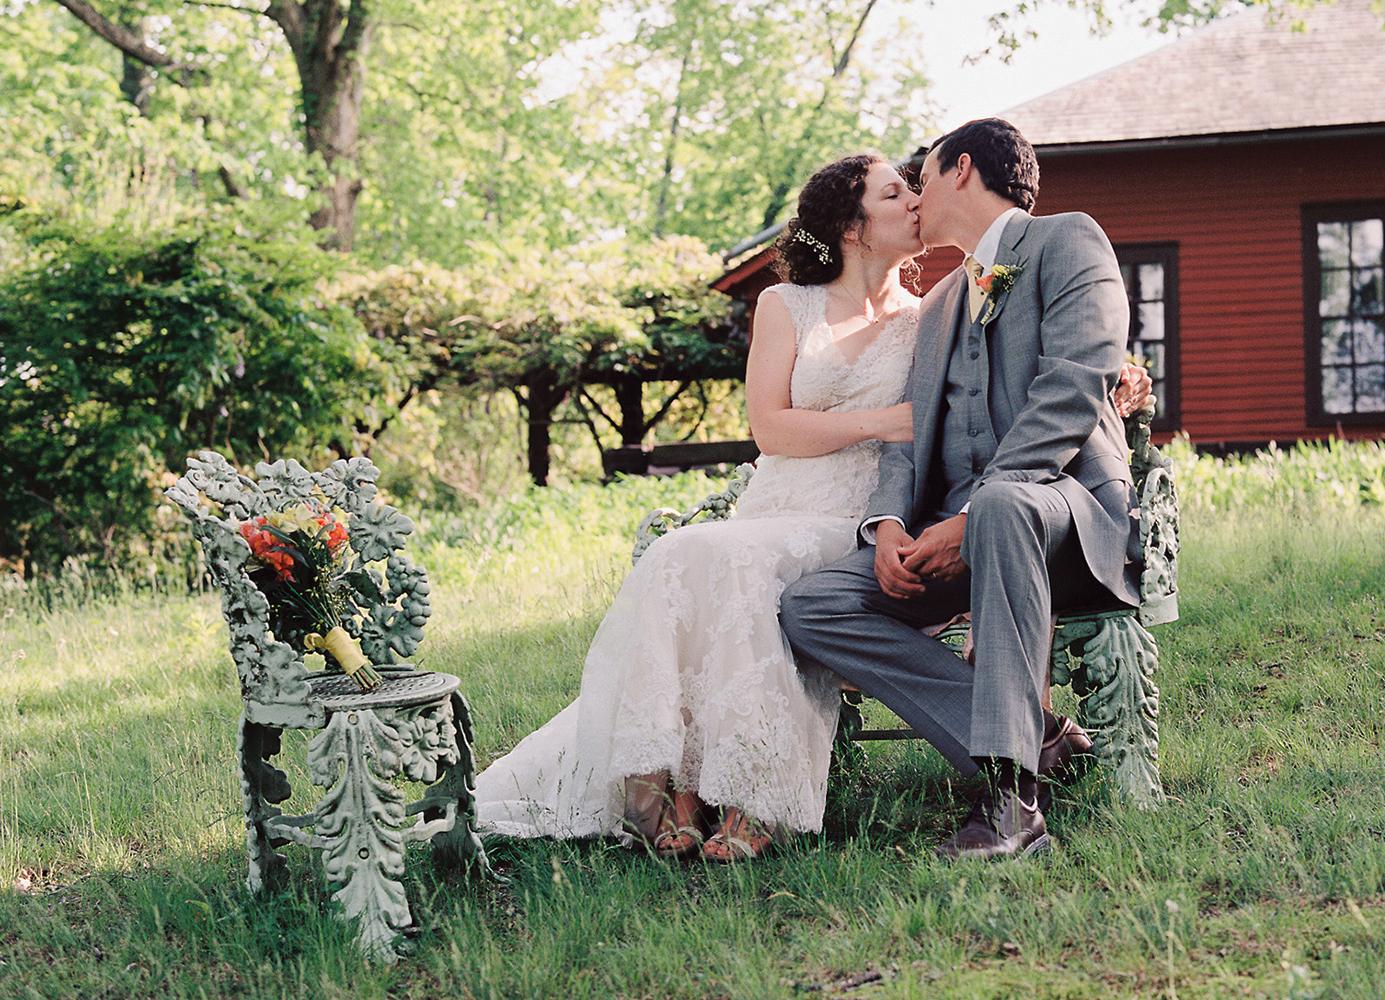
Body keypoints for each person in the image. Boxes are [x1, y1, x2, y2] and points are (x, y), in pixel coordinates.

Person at [469, 152, 926, 861]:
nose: (915, 203)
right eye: (895, 194)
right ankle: (673, 787)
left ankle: (754, 802)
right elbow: (770, 428)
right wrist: (882, 420)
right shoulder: (787, 306)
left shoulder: (927, 319)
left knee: (719, 558)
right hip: (776, 505)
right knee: (692, 553)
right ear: (850, 226)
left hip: (854, 518)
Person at [779, 118, 1143, 861]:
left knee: (1005, 503)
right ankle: (1035, 736)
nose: (914, 197)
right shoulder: (940, 301)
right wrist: (887, 524)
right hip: (954, 534)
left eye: (924, 177)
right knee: (812, 606)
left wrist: (971, 516)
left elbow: (1073, 392)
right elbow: (911, 434)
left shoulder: (1069, 240)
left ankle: (1012, 803)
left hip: (1066, 519)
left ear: (962, 170)